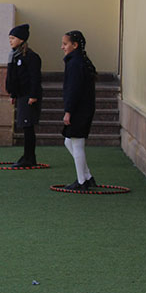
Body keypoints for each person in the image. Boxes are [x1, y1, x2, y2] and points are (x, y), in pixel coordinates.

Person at [61, 30, 98, 190]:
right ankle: (87, 176)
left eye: (65, 44)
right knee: (69, 141)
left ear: (75, 45)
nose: (62, 47)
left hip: (79, 109)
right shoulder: (79, 61)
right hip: (83, 107)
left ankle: (82, 181)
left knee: (77, 144)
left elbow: (73, 89)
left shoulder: (75, 64)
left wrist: (68, 111)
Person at [5, 24, 42, 168]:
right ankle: (27, 156)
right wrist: (13, 93)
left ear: (21, 39)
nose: (10, 41)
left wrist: (33, 95)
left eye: (13, 38)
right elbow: (14, 78)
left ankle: (29, 157)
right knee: (24, 125)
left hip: (29, 96)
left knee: (28, 126)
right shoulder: (15, 56)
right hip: (21, 95)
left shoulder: (30, 57)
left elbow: (35, 78)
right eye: (10, 38)